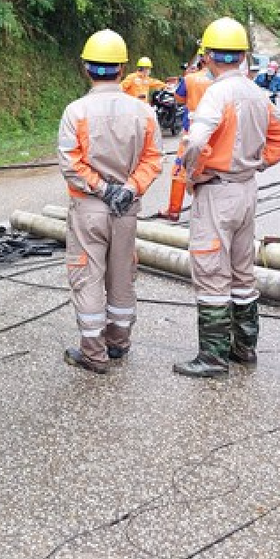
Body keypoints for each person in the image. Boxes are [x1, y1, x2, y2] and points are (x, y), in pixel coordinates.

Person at [173, 18, 280, 378]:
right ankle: (245, 347)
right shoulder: (257, 93)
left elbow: (195, 141)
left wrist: (193, 173)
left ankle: (212, 357)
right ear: (243, 56)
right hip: (245, 189)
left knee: (211, 270)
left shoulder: (217, 93)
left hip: (217, 191)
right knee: (242, 272)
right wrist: (260, 162)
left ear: (208, 56)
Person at [57, 29, 163, 374]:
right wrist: (128, 189)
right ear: (123, 68)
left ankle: (93, 352)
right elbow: (152, 159)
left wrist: (103, 190)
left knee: (87, 276)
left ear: (87, 67)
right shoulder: (144, 112)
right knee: (121, 275)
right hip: (126, 209)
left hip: (90, 209)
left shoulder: (76, 112)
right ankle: (118, 342)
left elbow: (71, 163)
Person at [162, 46, 213, 220]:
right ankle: (205, 213)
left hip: (191, 131)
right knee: (210, 171)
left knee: (180, 170)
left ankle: (174, 210)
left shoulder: (190, 79)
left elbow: (179, 98)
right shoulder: (223, 81)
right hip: (217, 133)